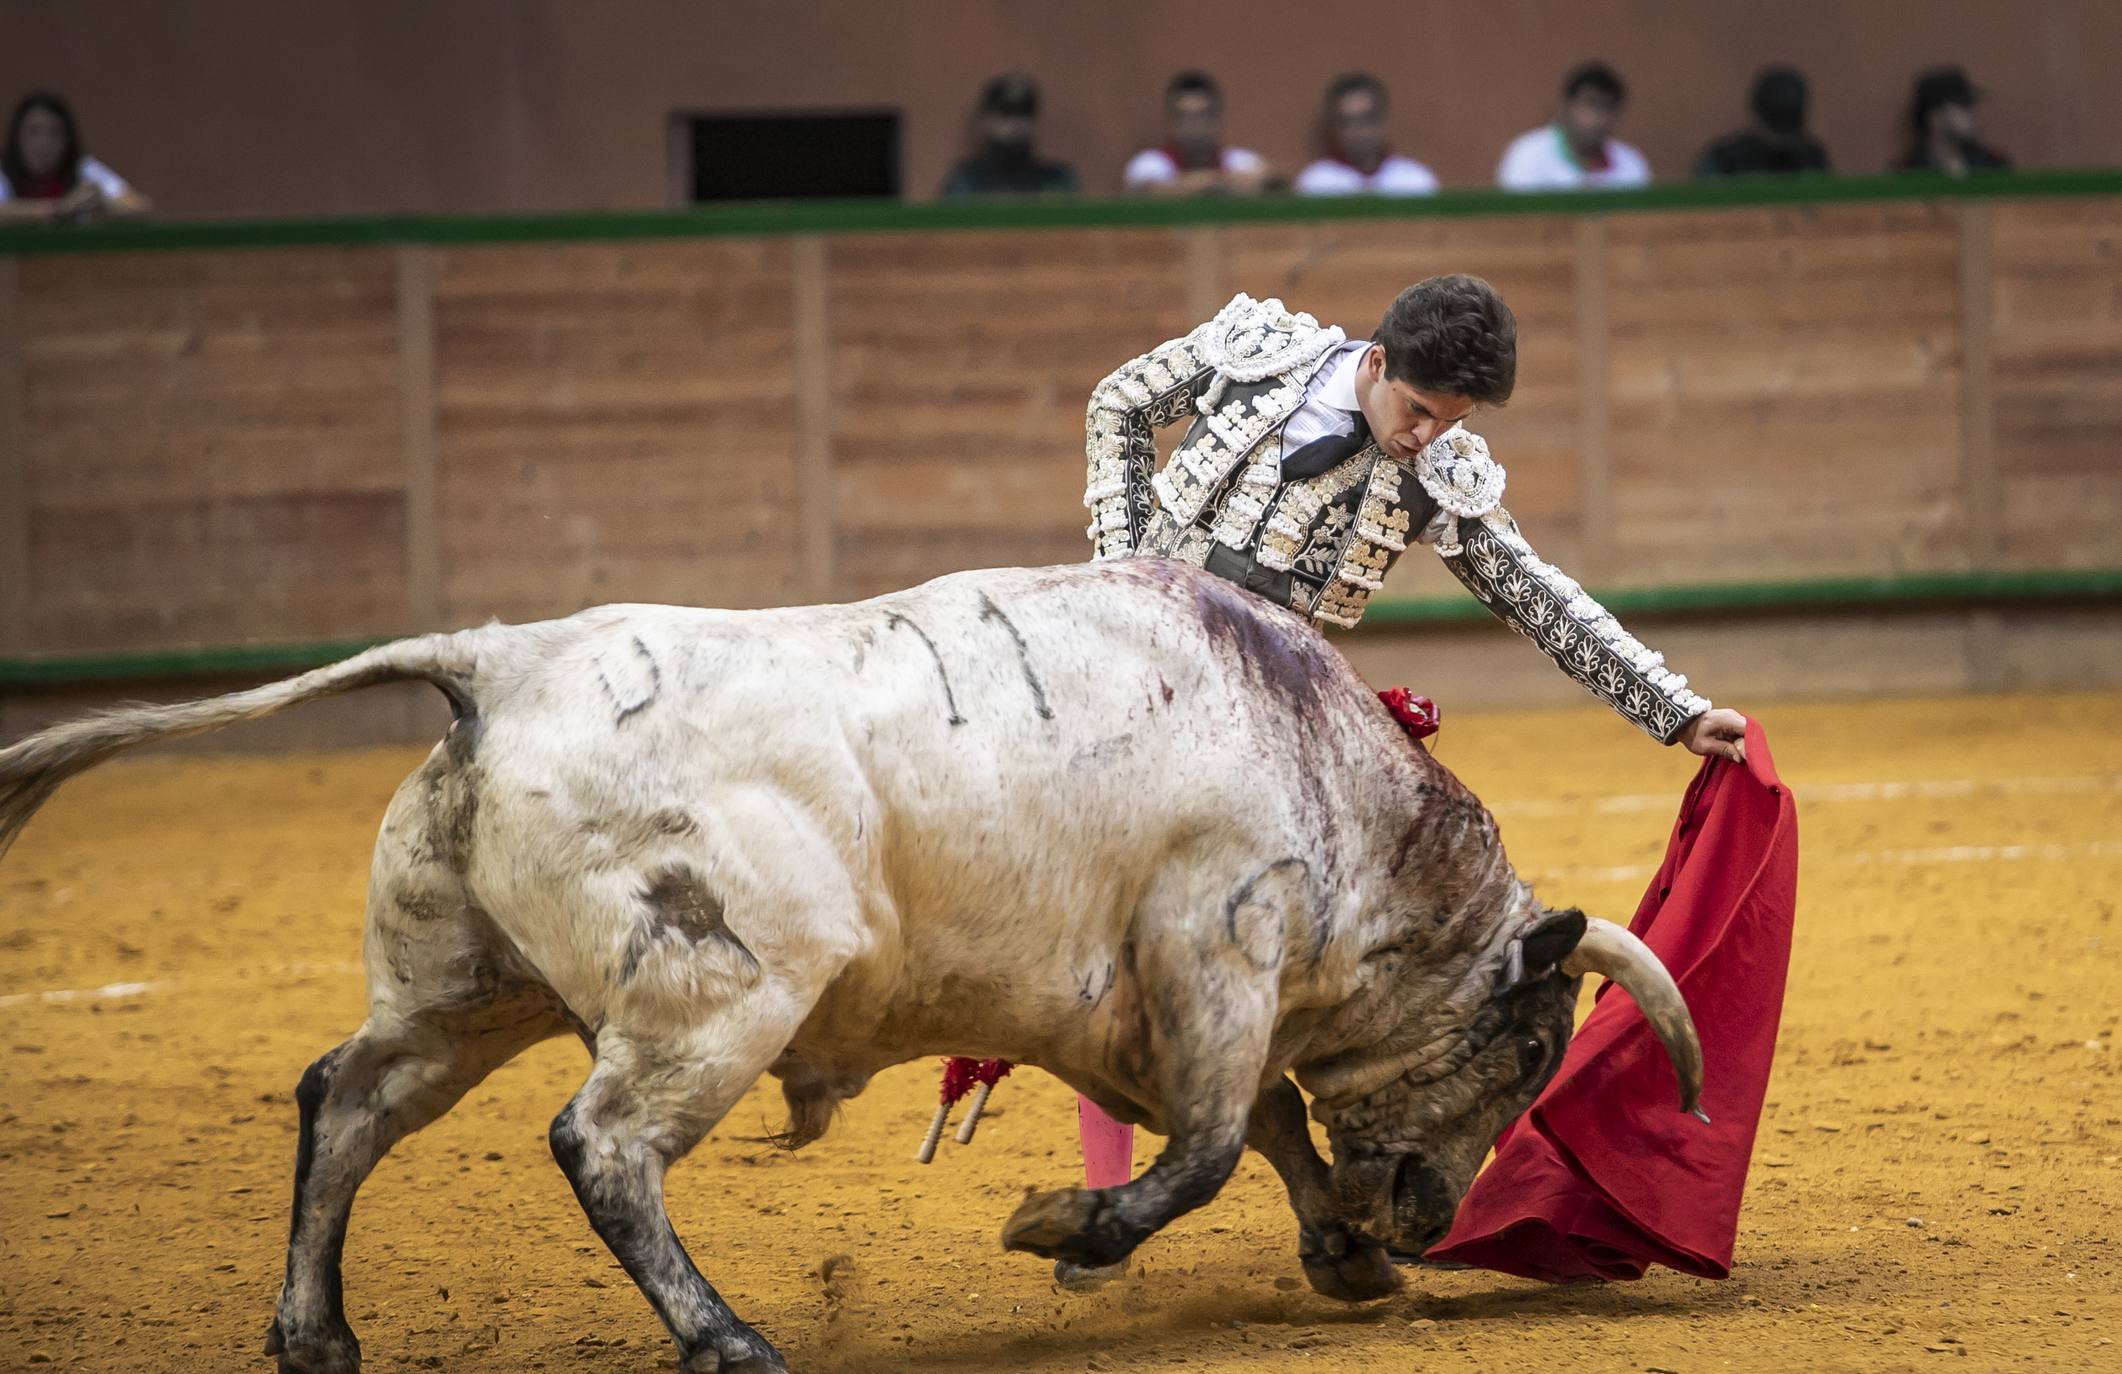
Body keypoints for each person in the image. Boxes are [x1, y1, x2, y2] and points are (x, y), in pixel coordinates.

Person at [1070, 277, 1748, 1283]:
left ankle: (1326, 1154)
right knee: (1092, 914)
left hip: (1270, 715)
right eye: (1418, 410)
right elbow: (1118, 404)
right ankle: (1120, 1176)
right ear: (1376, 363)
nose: (1424, 436)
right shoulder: (1256, 355)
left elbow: (1535, 595)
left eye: (1451, 421)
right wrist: (1119, 580)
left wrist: (1674, 710)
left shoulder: (1440, 470)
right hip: (1131, 673)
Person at [1496, 62, 1649, 191]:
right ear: (1565, 107)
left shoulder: (1630, 162)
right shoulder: (1527, 154)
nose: (1599, 118)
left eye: (1607, 107)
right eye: (1590, 104)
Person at [0, 91, 150, 223]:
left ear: (67, 140)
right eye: (33, 132)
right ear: (16, 138)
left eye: (54, 133)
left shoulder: (83, 169)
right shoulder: (3, 171)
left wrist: (105, 206)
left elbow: (142, 207)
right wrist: (57, 210)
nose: (43, 143)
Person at [1123, 71, 1270, 196]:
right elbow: (1150, 190)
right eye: (1184, 118)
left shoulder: (1241, 162)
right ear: (1170, 121)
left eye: (1202, 117)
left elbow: (1267, 181)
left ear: (1217, 118)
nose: (1194, 127)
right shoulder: (1149, 163)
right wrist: (1219, 182)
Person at [1292, 72, 1439, 196]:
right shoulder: (1315, 184)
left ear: (1384, 119)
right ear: (1334, 125)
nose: (1359, 130)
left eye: (1368, 118)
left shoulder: (1416, 181)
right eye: (1348, 121)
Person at [938, 72, 1079, 197]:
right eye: (1006, 114)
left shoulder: (1055, 180)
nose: (1016, 124)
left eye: (1024, 114)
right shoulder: (967, 181)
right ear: (986, 121)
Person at [1693, 65, 1831, 177]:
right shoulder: (1724, 160)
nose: (1780, 141)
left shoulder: (1812, 158)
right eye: (1776, 123)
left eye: (1787, 124)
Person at [1895, 65, 2010, 176]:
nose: (1973, 112)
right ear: (1935, 117)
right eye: (1964, 105)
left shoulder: (1994, 166)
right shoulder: (1910, 172)